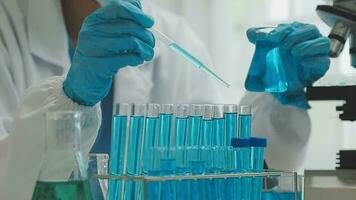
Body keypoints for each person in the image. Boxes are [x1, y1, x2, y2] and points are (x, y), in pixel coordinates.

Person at [0, 0, 330, 199]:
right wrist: (70, 99)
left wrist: (277, 99)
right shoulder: (7, 27)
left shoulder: (176, 37)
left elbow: (225, 169)